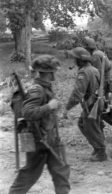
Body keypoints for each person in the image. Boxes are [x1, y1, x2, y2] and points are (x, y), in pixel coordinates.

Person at [9, 55, 70, 194]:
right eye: (54, 71)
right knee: (30, 173)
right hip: (40, 140)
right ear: (49, 73)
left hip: (49, 137)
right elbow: (28, 112)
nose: (55, 74)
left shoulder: (44, 87)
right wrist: (49, 106)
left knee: (61, 171)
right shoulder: (37, 89)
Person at [63, 47, 107, 162]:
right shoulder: (94, 69)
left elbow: (77, 94)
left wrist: (67, 108)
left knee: (90, 127)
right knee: (84, 124)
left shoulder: (84, 72)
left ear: (80, 60)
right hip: (96, 102)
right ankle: (98, 148)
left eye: (75, 58)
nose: (74, 61)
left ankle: (101, 152)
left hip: (91, 105)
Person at [83, 37, 112, 139]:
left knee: (98, 108)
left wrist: (96, 89)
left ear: (87, 48)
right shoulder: (99, 52)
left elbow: (98, 73)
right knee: (100, 109)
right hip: (106, 82)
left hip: (103, 84)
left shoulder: (95, 56)